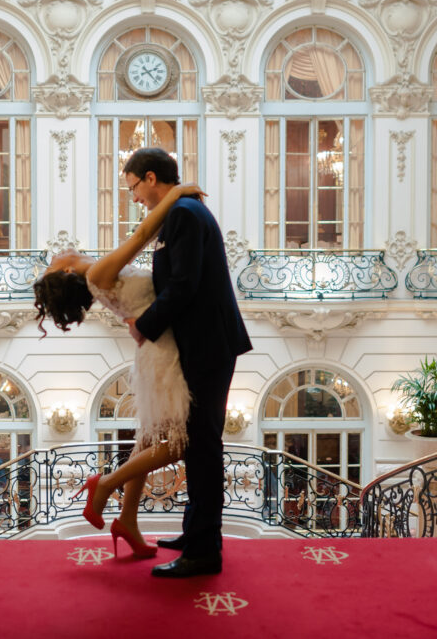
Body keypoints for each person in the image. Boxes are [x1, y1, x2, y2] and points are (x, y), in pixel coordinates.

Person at [33, 180, 204, 559]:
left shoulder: (97, 277)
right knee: (178, 443)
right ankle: (105, 484)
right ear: (64, 274)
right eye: (51, 263)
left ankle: (128, 520)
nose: (57, 253)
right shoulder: (96, 275)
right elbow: (142, 234)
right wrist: (174, 194)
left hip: (155, 348)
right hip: (163, 353)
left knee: (146, 440)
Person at [122, 147, 252, 579]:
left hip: (208, 345)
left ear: (151, 177)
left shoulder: (182, 214)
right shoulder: (183, 210)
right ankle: (195, 532)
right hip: (206, 342)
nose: (135, 197)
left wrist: (145, 324)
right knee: (198, 446)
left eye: (134, 187)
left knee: (203, 448)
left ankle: (203, 552)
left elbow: (184, 284)